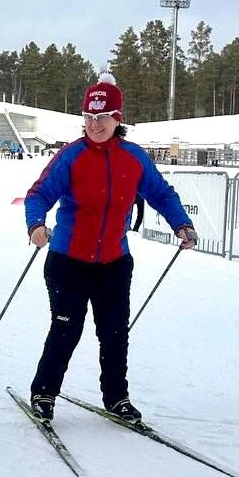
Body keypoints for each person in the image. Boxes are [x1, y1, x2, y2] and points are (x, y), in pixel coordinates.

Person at [24, 73, 198, 424]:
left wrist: (181, 223)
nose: (94, 124)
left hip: (114, 262)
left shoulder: (133, 158)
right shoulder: (71, 156)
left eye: (102, 117)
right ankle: (44, 392)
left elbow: (162, 193)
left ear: (118, 119)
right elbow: (39, 193)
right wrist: (36, 223)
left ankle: (116, 398)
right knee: (66, 329)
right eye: (89, 117)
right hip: (68, 260)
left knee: (115, 333)